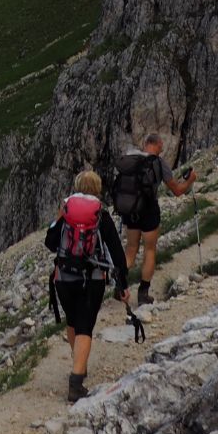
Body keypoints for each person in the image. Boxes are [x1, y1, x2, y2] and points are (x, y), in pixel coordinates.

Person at [45, 169, 129, 403]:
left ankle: (78, 364)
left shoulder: (66, 212)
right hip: (91, 278)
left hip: (63, 277)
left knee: (73, 321)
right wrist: (122, 283)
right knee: (85, 326)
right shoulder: (100, 216)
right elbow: (116, 251)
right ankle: (76, 381)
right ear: (98, 189)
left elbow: (50, 242)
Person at [115, 134, 197, 304]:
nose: (162, 148)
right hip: (149, 211)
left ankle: (120, 287)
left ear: (145, 144)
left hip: (130, 209)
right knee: (149, 250)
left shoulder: (131, 159)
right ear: (158, 145)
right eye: (162, 146)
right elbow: (177, 190)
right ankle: (143, 294)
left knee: (130, 249)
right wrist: (190, 181)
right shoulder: (159, 163)